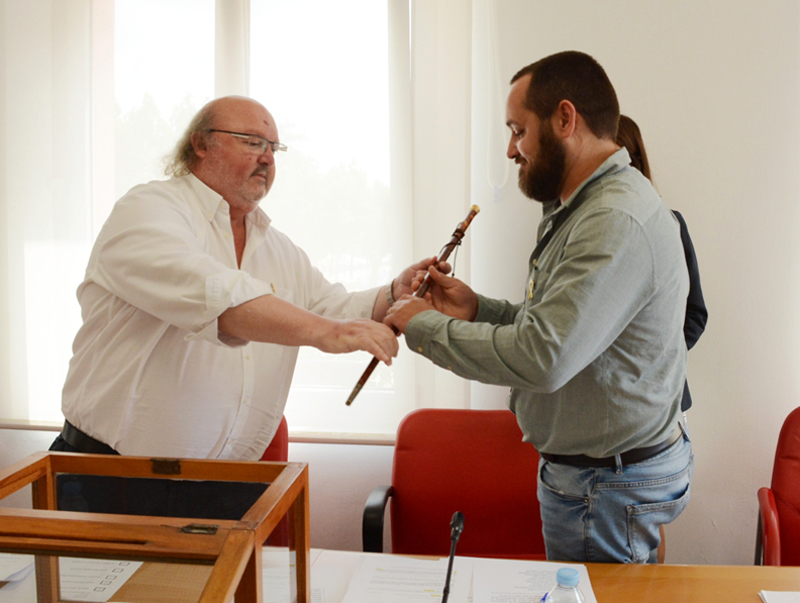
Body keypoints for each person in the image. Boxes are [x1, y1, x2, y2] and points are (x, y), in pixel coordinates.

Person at [50, 96, 441, 518]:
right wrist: (328, 333)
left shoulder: (277, 246)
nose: (268, 159)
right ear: (200, 144)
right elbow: (216, 296)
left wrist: (393, 291)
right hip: (112, 478)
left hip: (227, 487)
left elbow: (332, 305)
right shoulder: (148, 210)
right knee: (98, 588)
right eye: (252, 142)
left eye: (275, 148)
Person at [384, 51, 693, 563]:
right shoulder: (585, 209)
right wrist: (477, 309)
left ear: (565, 119)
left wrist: (425, 327)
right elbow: (560, 330)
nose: (511, 149)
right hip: (600, 476)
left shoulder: (612, 219)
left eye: (517, 130)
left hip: (604, 484)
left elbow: (542, 358)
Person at [615, 114, 708, 414]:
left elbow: (695, 313)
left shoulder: (670, 224)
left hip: (663, 403)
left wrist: (654, 362)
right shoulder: (577, 233)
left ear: (634, 163)